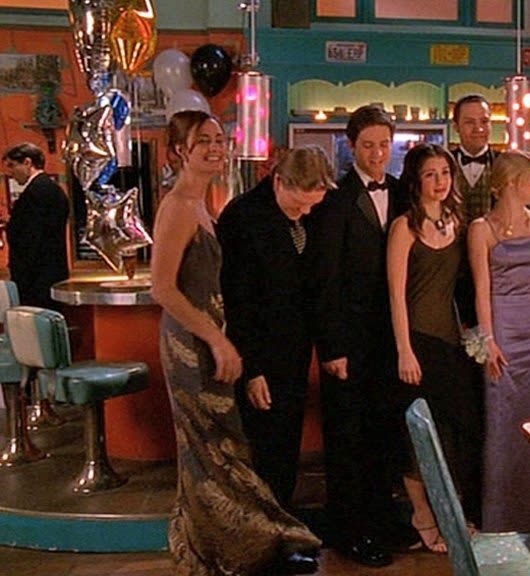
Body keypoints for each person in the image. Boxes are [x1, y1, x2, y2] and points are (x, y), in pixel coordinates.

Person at [150, 110, 320, 575]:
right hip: (190, 343)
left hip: (209, 339)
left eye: (219, 139)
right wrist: (218, 340)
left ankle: (237, 547)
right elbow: (162, 288)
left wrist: (223, 337)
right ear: (180, 150)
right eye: (203, 140)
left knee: (222, 449)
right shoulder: (177, 206)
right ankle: (216, 552)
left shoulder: (201, 202)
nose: (215, 147)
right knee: (208, 450)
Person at [307, 105, 409, 567]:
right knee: (349, 439)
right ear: (351, 147)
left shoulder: (403, 192)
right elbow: (323, 279)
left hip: (392, 339)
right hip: (349, 341)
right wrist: (332, 347)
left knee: (386, 434)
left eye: (384, 144)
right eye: (368, 146)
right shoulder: (334, 200)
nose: (377, 154)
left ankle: (385, 522)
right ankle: (351, 532)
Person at [217, 146, 334, 508]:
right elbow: (238, 301)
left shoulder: (311, 212)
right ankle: (260, 527)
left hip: (295, 350)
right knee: (262, 449)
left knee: (286, 446)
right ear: (279, 181)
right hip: (259, 353)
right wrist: (253, 370)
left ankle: (280, 520)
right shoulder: (242, 217)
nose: (306, 213)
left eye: (312, 206)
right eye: (299, 205)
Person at [468, 150, 530, 533]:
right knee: (504, 417)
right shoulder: (482, 229)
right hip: (504, 328)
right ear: (512, 183)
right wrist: (488, 339)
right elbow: (481, 289)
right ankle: (503, 514)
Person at [387, 143, 481, 552]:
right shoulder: (404, 227)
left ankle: (453, 515)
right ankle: (422, 515)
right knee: (418, 436)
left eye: (445, 172)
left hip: (451, 342)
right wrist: (404, 350)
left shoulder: (457, 221)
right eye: (430, 174)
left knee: (456, 431)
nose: (440, 181)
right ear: (416, 180)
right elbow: (395, 296)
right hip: (417, 341)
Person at [2, 142, 69, 309]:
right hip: (50, 273)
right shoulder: (53, 189)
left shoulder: (36, 193)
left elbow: (31, 238)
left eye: (12, 165)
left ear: (27, 162)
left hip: (36, 277)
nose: (10, 172)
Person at [451, 94, 499, 223]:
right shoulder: (444, 163)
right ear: (456, 127)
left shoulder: (503, 163)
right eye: (469, 122)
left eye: (484, 121)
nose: (479, 129)